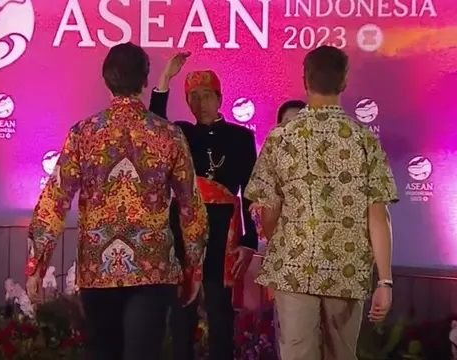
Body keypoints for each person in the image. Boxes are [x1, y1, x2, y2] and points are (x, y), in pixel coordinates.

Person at [24, 43, 208, 360]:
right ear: (144, 79)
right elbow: (191, 208)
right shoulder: (167, 134)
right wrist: (193, 269)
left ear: (106, 78)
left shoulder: (83, 134)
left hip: (98, 268)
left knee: (102, 353)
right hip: (153, 268)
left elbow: (54, 200)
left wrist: (36, 265)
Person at [245, 45, 398, 360]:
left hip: (293, 269)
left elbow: (268, 213)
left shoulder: (281, 138)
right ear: (344, 82)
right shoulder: (364, 139)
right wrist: (385, 280)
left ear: (305, 80)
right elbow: (378, 217)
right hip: (348, 267)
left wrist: (282, 243)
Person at [151, 69, 259, 360]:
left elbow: (250, 190)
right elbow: (153, 127)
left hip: (223, 226)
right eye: (193, 97)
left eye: (206, 95)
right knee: (181, 308)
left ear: (220, 98)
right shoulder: (181, 133)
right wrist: (164, 81)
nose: (200, 103)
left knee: (219, 308)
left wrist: (250, 240)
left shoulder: (240, 137)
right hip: (183, 224)